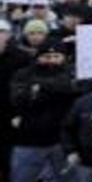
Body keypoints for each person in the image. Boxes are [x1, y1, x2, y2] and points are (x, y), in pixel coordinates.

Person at [9, 39, 80, 182]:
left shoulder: (72, 73)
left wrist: (40, 86)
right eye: (47, 57)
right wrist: (56, 90)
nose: (52, 61)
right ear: (38, 57)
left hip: (63, 142)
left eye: (56, 56)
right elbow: (19, 99)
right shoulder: (23, 74)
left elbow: (72, 88)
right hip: (30, 140)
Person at [0, 20, 32, 182]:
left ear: (8, 35)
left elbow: (28, 87)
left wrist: (21, 113)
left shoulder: (21, 57)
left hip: (10, 115)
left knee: (7, 158)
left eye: (1, 32)